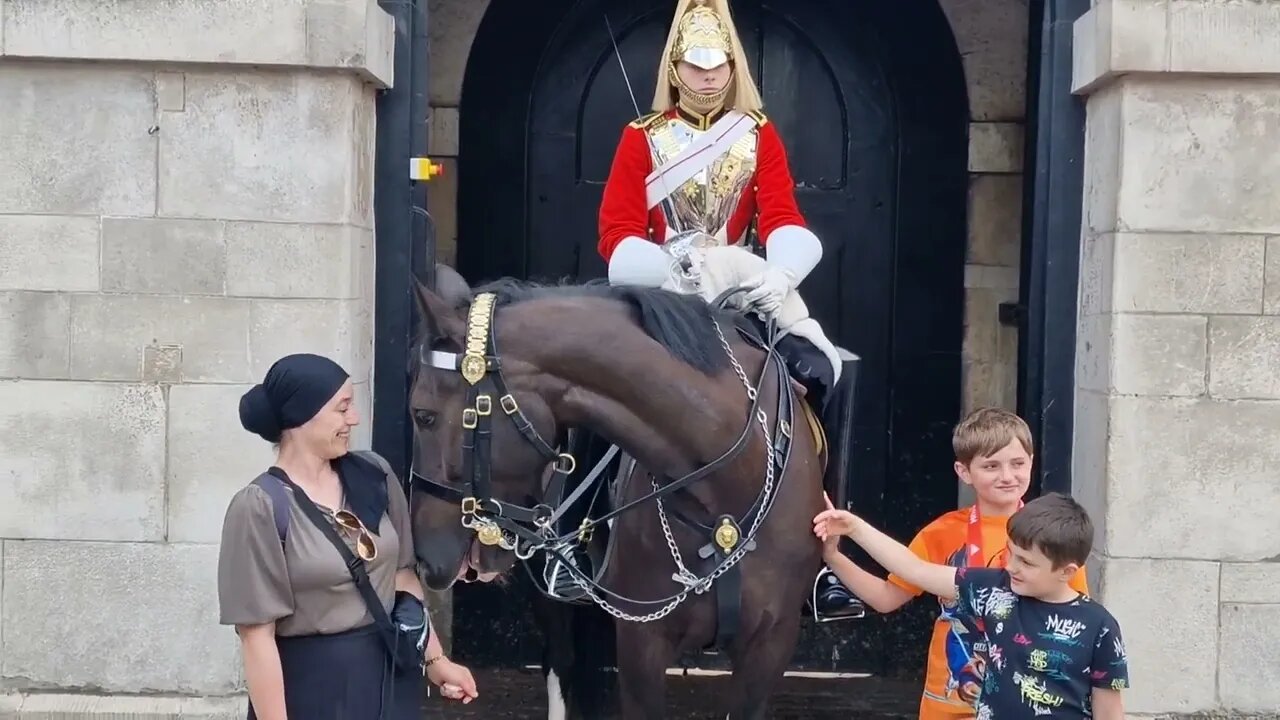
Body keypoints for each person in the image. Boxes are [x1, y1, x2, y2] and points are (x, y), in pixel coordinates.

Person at [596, 0, 864, 622]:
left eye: (719, 66)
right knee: (592, 382)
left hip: (741, 289)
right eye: (697, 65)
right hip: (661, 287)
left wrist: (779, 274)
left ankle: (827, 556)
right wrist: (661, 267)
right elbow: (616, 229)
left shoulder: (756, 134)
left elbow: (781, 215)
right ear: (677, 67)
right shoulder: (642, 137)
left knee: (830, 373)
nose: (710, 77)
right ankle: (586, 534)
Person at [217, 353, 478, 720]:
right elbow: (256, 638)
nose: (352, 419)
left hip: (389, 678)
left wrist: (436, 660)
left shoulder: (374, 474)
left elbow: (402, 578)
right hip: (315, 690)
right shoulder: (260, 507)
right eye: (342, 409)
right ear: (302, 415)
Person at [820, 407, 1092, 717]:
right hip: (950, 704)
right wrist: (833, 557)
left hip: (1026, 704)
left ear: (1032, 462)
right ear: (964, 472)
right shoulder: (942, 533)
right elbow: (885, 598)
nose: (1007, 476)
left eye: (1017, 463)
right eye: (991, 466)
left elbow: (1077, 624)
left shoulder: (1055, 536)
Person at [814, 491, 1129, 719]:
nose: (1011, 566)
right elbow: (914, 569)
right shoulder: (993, 589)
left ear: (1067, 572)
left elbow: (1109, 713)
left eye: (1027, 562)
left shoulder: (1100, 627)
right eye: (1010, 553)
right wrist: (853, 530)